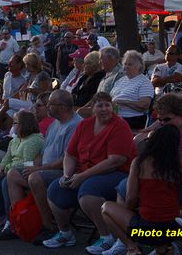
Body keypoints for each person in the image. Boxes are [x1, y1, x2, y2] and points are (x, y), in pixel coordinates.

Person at [43, 92, 135, 254]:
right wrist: (67, 175)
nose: (105, 109)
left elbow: (115, 161)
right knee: (55, 190)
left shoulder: (120, 126)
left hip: (117, 173)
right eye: (100, 105)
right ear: (92, 108)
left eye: (108, 105)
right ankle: (65, 233)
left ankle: (106, 237)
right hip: (85, 172)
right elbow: (70, 154)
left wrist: (82, 176)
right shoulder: (85, 125)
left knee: (88, 191)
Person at [4, 90, 82, 244]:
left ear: (62, 107)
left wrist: (38, 169)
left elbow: (67, 159)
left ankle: (47, 226)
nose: (47, 107)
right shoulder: (55, 123)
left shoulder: (75, 125)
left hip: (64, 171)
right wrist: (31, 165)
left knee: (35, 177)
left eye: (50, 104)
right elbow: (43, 152)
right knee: (13, 173)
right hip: (45, 167)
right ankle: (19, 222)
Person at [102, 125, 182, 255]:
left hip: (147, 229)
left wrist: (132, 210)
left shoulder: (140, 162)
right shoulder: (176, 165)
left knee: (106, 208)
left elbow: (131, 198)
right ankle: (164, 248)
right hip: (173, 228)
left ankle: (132, 248)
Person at [0, 110, 45, 238]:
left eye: (15, 123)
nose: (13, 126)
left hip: (26, 170)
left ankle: (12, 219)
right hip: (12, 169)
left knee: (4, 182)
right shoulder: (15, 140)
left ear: (23, 125)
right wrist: (3, 166)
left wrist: (7, 167)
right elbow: (7, 157)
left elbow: (27, 162)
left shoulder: (34, 140)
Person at [110, 50, 154, 129]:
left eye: (129, 64)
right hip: (114, 116)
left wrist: (124, 102)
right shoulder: (120, 80)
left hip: (132, 119)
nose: (126, 66)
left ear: (139, 66)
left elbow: (144, 105)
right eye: (125, 64)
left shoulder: (144, 82)